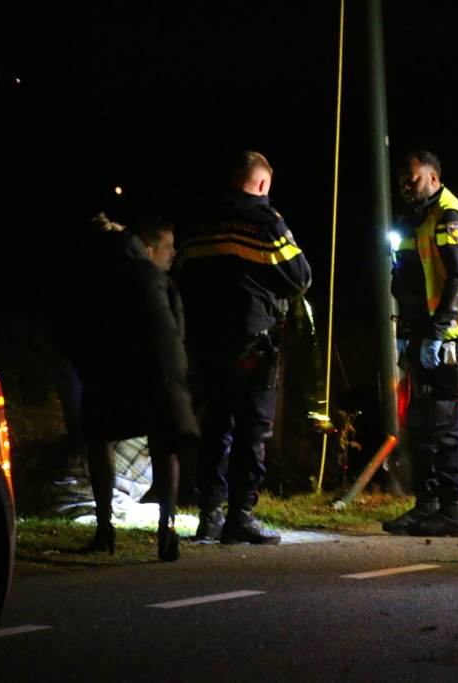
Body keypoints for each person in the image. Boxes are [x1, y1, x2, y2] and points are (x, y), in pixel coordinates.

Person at [177, 151, 312, 545]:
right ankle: (241, 516)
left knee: (215, 427)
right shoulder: (266, 225)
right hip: (253, 346)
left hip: (205, 344)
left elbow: (182, 273)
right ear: (263, 185)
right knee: (252, 430)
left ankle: (209, 516)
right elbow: (301, 277)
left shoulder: (201, 225)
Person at [63, 213, 198, 561]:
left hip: (106, 369)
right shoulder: (155, 279)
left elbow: (76, 323)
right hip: (152, 372)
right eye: (168, 247)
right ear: (149, 248)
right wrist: (177, 378)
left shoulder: (99, 273)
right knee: (164, 441)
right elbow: (173, 334)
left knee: (101, 441)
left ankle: (104, 528)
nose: (173, 254)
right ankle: (166, 531)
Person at [385, 150, 458, 537]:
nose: (405, 186)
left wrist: (435, 332)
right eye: (402, 180)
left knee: (446, 421)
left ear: (433, 178)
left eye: (412, 179)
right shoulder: (415, 219)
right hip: (429, 332)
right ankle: (427, 504)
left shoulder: (451, 217)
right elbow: (410, 281)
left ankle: (454, 510)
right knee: (421, 420)